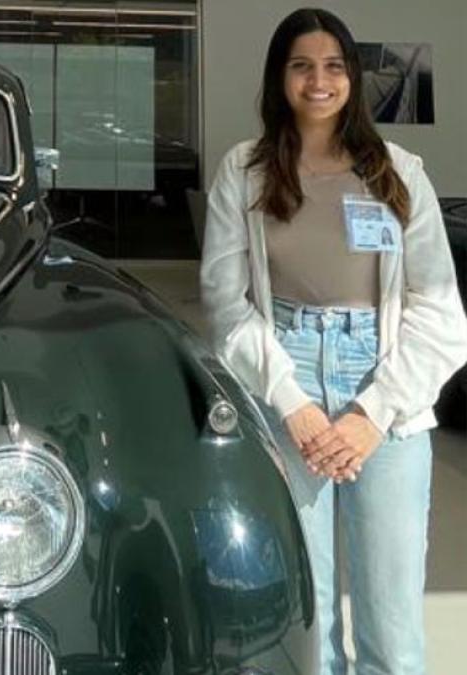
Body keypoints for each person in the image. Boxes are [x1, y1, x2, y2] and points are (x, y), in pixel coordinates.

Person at [199, 8, 467, 675]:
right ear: (278, 78)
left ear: (352, 76)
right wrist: (295, 403)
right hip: (284, 378)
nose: (318, 81)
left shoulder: (399, 172)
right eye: (301, 65)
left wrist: (372, 414)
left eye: (334, 65)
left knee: (393, 624)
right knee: (303, 613)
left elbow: (440, 312)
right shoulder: (246, 170)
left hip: (385, 387)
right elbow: (227, 303)